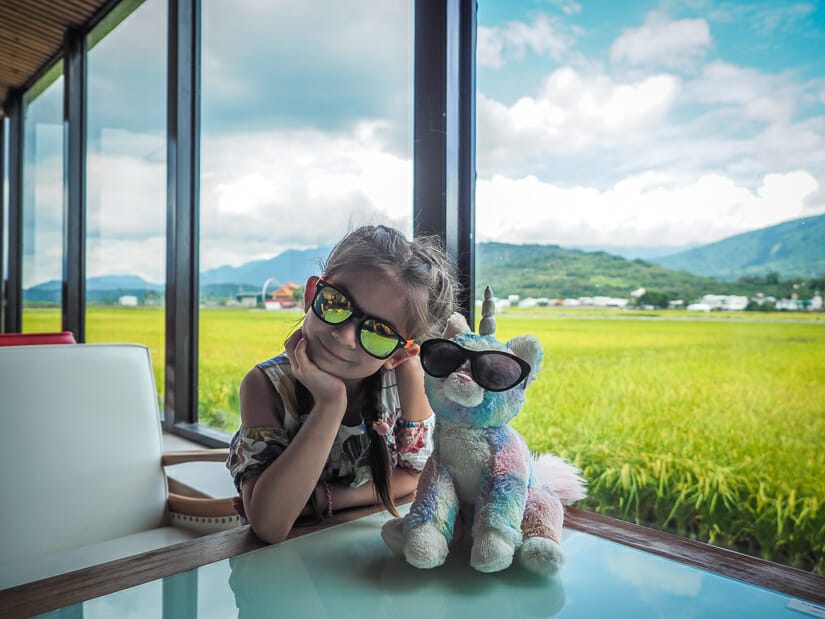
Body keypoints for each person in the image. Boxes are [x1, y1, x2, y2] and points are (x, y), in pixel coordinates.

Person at [226, 224, 459, 544]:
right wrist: (330, 403)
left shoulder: (405, 377)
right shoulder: (265, 386)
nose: (345, 336)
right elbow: (270, 525)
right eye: (337, 304)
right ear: (312, 295)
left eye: (378, 331)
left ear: (400, 354)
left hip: (363, 550)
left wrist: (326, 498)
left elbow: (420, 476)